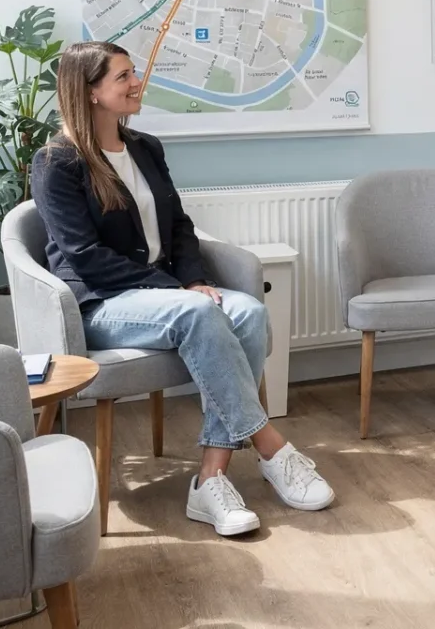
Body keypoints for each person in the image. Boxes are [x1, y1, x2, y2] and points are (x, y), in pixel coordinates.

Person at [30, 41, 334, 536]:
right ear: (90, 93)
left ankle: (210, 480)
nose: (136, 83)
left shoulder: (145, 147)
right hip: (103, 303)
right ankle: (271, 447)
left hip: (167, 293)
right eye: (123, 76)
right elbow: (84, 256)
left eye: (134, 72)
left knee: (250, 312)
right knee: (198, 314)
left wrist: (192, 279)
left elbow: (179, 227)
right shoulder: (56, 162)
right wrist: (177, 292)